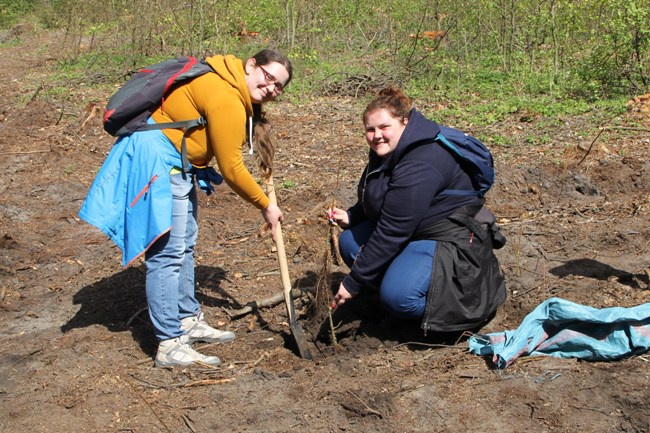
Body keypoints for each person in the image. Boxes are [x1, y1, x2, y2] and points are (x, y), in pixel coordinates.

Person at [79, 49, 292, 367]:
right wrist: (265, 205)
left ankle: (187, 319)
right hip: (158, 160)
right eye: (268, 77)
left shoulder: (228, 80)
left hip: (177, 163)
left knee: (184, 244)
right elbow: (232, 169)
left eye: (279, 86)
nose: (271, 88)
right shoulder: (226, 95)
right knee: (167, 253)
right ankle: (169, 343)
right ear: (251, 66)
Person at [328, 86, 506, 334]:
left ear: (405, 121)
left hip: (447, 237)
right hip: (416, 229)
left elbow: (393, 230)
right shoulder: (387, 151)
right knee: (349, 241)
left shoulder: (422, 160)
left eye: (384, 127)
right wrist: (353, 215)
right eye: (370, 130)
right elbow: (380, 196)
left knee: (400, 297)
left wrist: (354, 282)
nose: (377, 135)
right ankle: (392, 295)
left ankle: (441, 316)